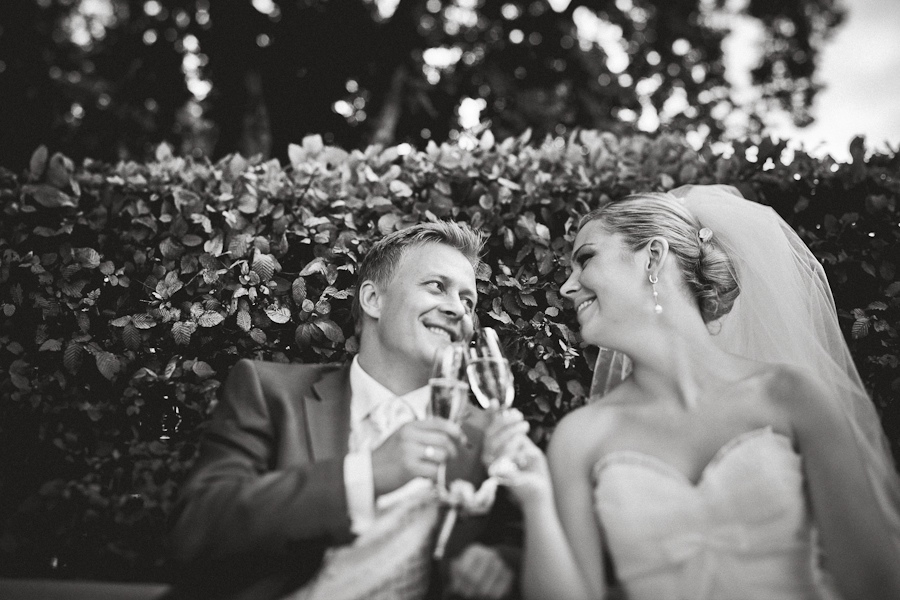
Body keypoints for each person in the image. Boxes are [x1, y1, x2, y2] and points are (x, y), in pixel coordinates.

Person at [486, 185, 900, 600]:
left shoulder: (791, 396)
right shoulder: (580, 437)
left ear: (653, 257)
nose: (566, 288)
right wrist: (536, 501)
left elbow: (873, 584)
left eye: (586, 259)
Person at [168, 221, 518, 600]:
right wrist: (365, 475)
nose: (458, 311)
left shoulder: (484, 436)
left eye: (469, 302)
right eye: (437, 287)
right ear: (373, 299)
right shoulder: (268, 391)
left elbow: (521, 544)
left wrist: (498, 563)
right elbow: (197, 531)